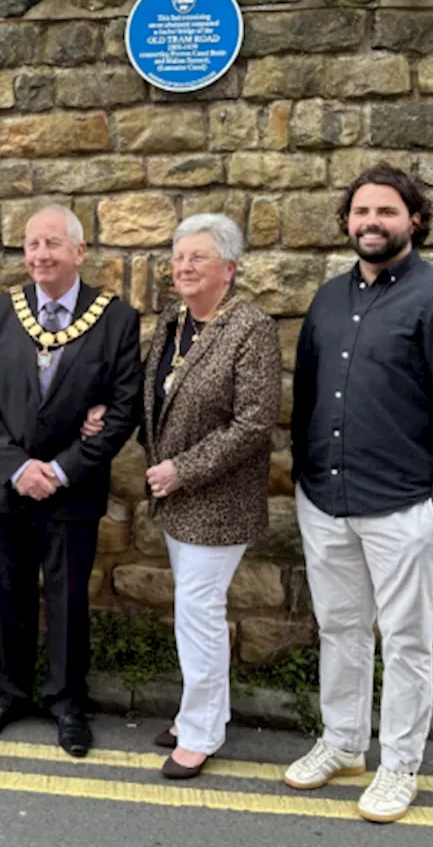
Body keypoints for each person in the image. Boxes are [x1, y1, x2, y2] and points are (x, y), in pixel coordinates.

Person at [285, 164, 433, 823]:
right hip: (327, 500)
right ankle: (343, 743)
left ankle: (399, 763)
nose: (372, 223)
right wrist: (303, 480)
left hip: (404, 507)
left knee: (405, 641)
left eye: (386, 212)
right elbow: (307, 397)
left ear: (414, 220)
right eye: (362, 212)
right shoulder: (326, 299)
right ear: (348, 222)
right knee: (340, 629)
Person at [0, 205, 142, 758]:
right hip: (5, 485)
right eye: (32, 244)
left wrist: (61, 469)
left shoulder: (116, 319)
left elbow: (123, 408)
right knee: (6, 594)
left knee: (67, 601)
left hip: (73, 488)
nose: (40, 254)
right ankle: (7, 693)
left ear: (79, 252)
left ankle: (66, 702)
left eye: (52, 244)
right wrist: (18, 467)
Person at [139, 214, 281, 780]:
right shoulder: (173, 321)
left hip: (217, 499)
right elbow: (154, 394)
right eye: (178, 258)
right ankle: (202, 713)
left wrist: (183, 470)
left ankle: (199, 733)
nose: (184, 267)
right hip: (175, 496)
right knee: (195, 611)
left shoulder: (251, 327)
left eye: (197, 257)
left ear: (229, 267)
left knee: (198, 613)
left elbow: (254, 422)